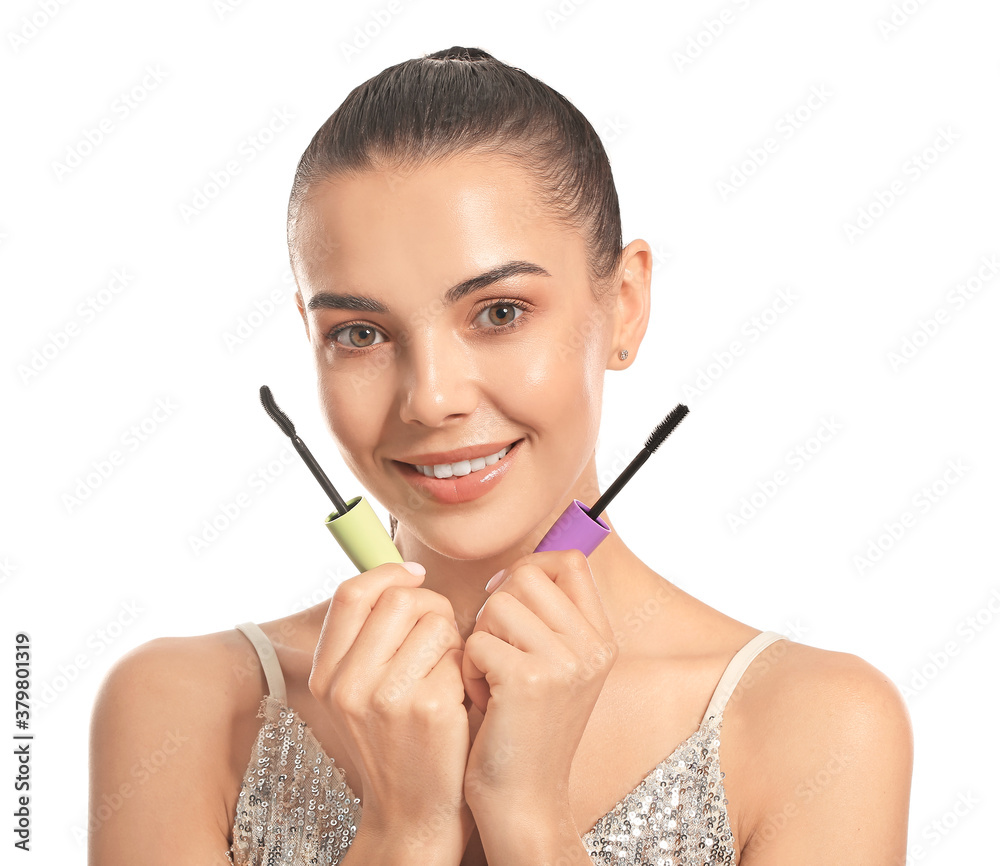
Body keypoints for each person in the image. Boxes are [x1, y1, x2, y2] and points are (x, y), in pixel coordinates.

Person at [88, 46, 913, 865]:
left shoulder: (820, 725)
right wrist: (402, 833)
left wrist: (529, 820)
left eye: (499, 312)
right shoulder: (181, 711)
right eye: (361, 333)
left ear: (623, 307)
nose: (431, 398)